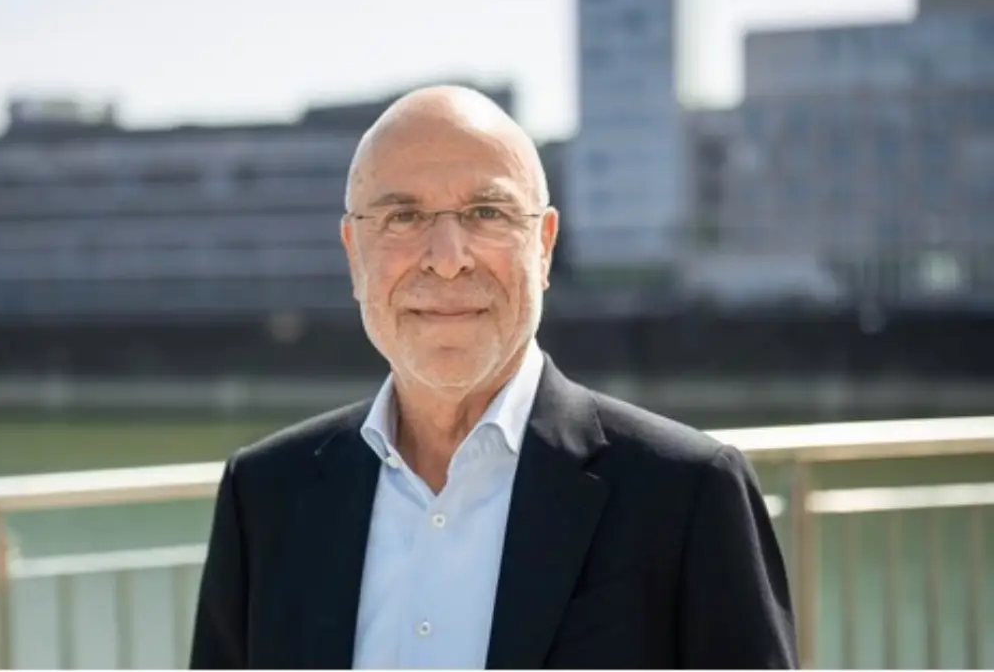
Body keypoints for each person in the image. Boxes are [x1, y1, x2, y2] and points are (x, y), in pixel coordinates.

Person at [189, 85, 796, 669]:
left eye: (487, 212)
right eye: (403, 216)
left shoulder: (686, 494)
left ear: (545, 246)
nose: (448, 257)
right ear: (354, 254)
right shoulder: (265, 495)